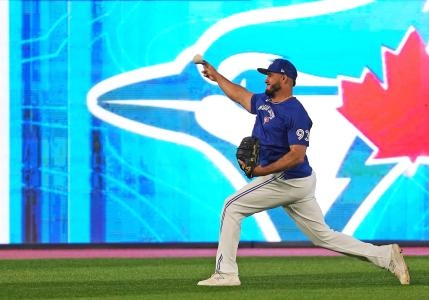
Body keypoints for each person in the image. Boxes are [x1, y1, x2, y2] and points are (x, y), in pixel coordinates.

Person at [196, 58, 410, 286]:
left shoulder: (296, 113)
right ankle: (387, 256)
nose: (266, 79)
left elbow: (296, 155)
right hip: (299, 181)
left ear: (284, 78)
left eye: (270, 74)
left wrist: (262, 170)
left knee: (232, 206)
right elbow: (240, 95)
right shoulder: (265, 101)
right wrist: (217, 76)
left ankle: (226, 273)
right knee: (323, 236)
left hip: (287, 180)